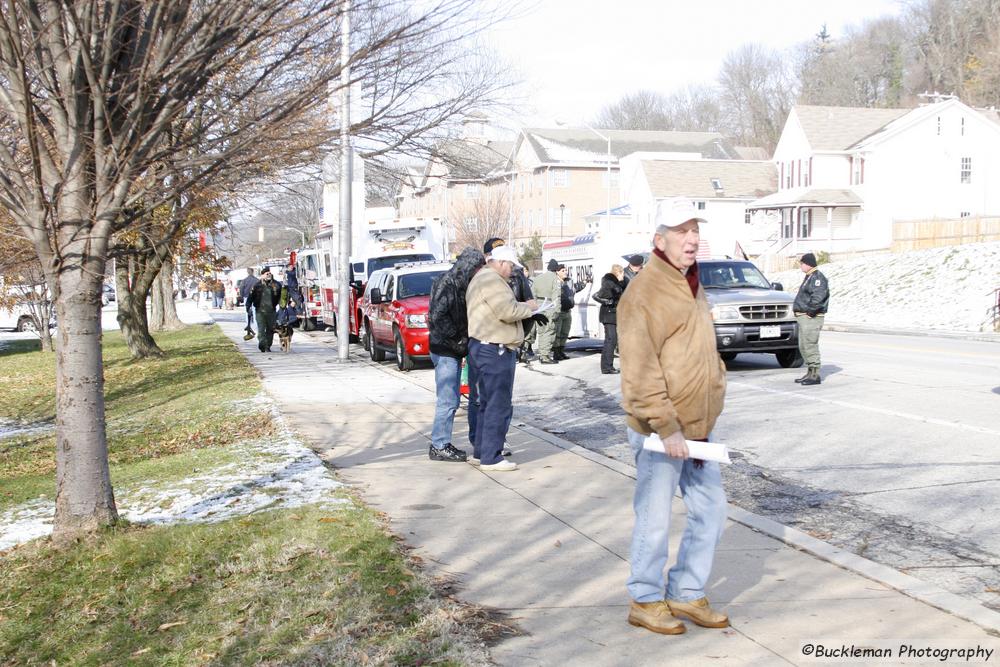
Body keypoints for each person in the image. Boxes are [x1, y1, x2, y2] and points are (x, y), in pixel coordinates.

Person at [618, 197, 729, 636]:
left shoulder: (692, 283)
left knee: (712, 511)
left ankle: (685, 590)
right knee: (655, 517)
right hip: (660, 432)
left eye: (695, 230)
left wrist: (716, 382)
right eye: (682, 231)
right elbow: (640, 370)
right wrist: (666, 427)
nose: (692, 238)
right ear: (658, 239)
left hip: (699, 427)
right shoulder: (643, 292)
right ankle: (645, 598)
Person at [465, 245, 545, 471]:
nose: (512, 271)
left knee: (486, 402)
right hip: (495, 348)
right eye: (510, 266)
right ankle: (492, 457)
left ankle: (482, 451)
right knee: (497, 404)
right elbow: (507, 311)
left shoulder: (480, 278)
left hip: (483, 346)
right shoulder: (492, 281)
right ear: (500, 263)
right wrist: (529, 307)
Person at [427, 248, 486, 463]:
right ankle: (440, 444)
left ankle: (442, 442)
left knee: (452, 399)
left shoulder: (462, 282)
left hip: (455, 347)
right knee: (448, 399)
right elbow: (439, 316)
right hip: (445, 349)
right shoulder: (447, 283)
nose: (480, 271)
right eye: (478, 266)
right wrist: (458, 340)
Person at [793, 252, 830, 386]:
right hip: (804, 317)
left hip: (811, 317)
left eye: (802, 264)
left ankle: (815, 375)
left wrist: (810, 312)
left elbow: (818, 297)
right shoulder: (809, 277)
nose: (801, 266)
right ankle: (809, 372)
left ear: (808, 264)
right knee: (803, 345)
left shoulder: (817, 278)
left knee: (810, 344)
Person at [594, 264, 626, 374]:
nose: (624, 275)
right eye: (622, 273)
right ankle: (607, 367)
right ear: (618, 273)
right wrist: (608, 301)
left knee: (612, 340)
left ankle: (608, 366)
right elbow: (597, 295)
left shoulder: (618, 283)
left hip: (614, 315)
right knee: (610, 340)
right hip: (608, 315)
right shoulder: (608, 283)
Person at [553, 264, 589, 361]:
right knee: (558, 333)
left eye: (565, 270)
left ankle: (561, 351)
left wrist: (584, 282)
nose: (565, 272)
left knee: (565, 333)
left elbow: (575, 289)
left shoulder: (569, 281)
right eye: (563, 270)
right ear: (557, 272)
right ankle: (556, 353)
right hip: (559, 311)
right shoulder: (555, 282)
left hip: (567, 311)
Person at [531, 258, 563, 364]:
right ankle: (544, 356)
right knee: (548, 331)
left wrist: (534, 307)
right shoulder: (555, 279)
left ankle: (542, 354)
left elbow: (532, 294)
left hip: (538, 307)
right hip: (549, 306)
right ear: (556, 269)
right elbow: (556, 296)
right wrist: (557, 310)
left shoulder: (538, 278)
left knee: (541, 332)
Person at [247, 267, 282, 352]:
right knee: (261, 329)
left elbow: (281, 295)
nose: (268, 275)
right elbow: (250, 297)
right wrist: (248, 307)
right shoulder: (257, 285)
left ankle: (268, 346)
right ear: (262, 275)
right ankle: (262, 344)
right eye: (266, 274)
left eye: (270, 273)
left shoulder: (276, 285)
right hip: (260, 311)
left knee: (270, 329)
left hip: (271, 311)